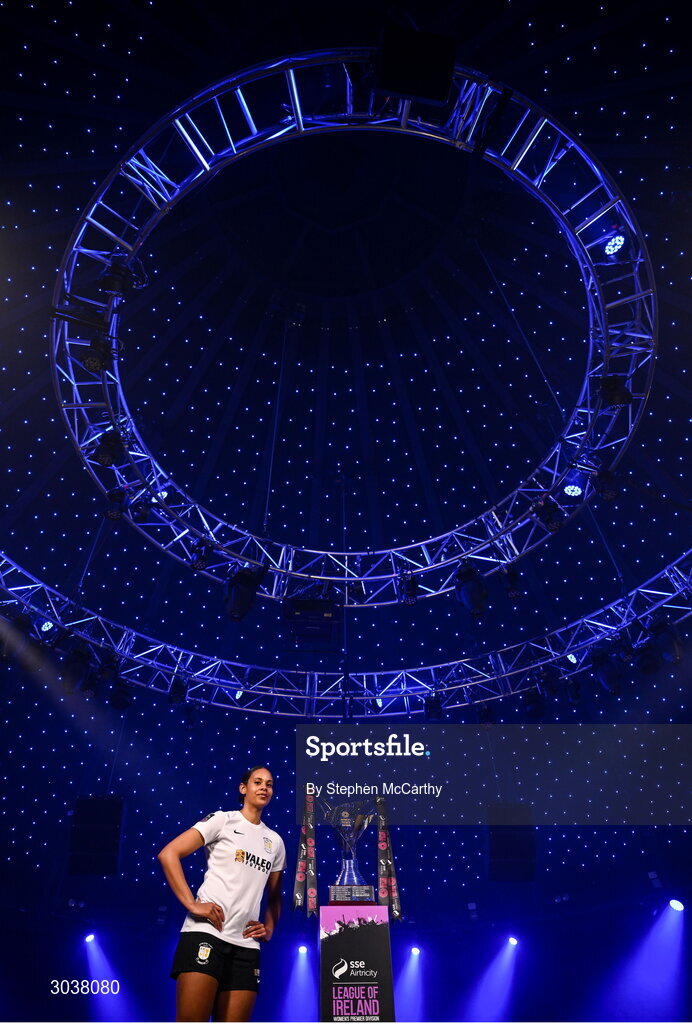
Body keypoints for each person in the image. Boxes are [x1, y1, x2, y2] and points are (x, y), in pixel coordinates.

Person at [158, 766, 285, 1023]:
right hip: (206, 934)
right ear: (243, 788)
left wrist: (270, 927)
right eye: (257, 782)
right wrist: (192, 905)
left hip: (246, 945)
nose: (264, 787)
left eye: (269, 784)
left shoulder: (275, 841)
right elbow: (169, 854)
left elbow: (274, 895)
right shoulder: (223, 820)